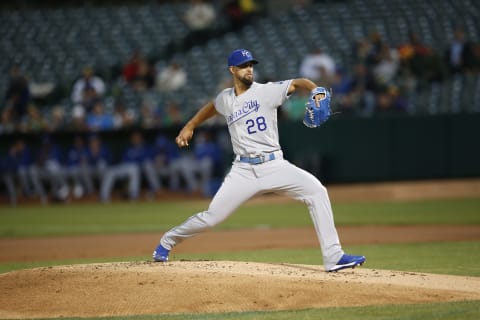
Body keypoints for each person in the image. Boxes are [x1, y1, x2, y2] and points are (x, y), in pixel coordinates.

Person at [152, 48, 366, 272]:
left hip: (274, 165)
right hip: (242, 170)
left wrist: (317, 91)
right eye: (244, 66)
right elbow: (212, 107)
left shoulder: (267, 91)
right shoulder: (225, 99)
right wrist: (189, 126)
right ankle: (167, 242)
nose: (249, 69)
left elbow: (299, 82)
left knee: (317, 191)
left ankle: (333, 257)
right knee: (212, 218)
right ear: (233, 70)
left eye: (251, 65)